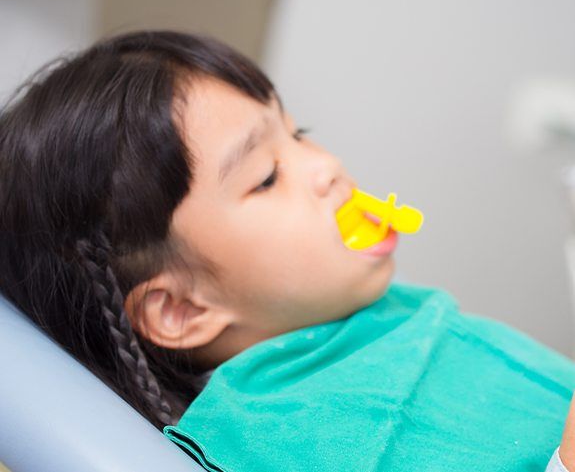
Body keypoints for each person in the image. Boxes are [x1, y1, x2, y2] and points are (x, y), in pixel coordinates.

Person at [0, 30, 573, 471]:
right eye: (267, 177)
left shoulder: (361, 317)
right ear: (182, 309)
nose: (327, 165)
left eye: (299, 133)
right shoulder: (288, 438)